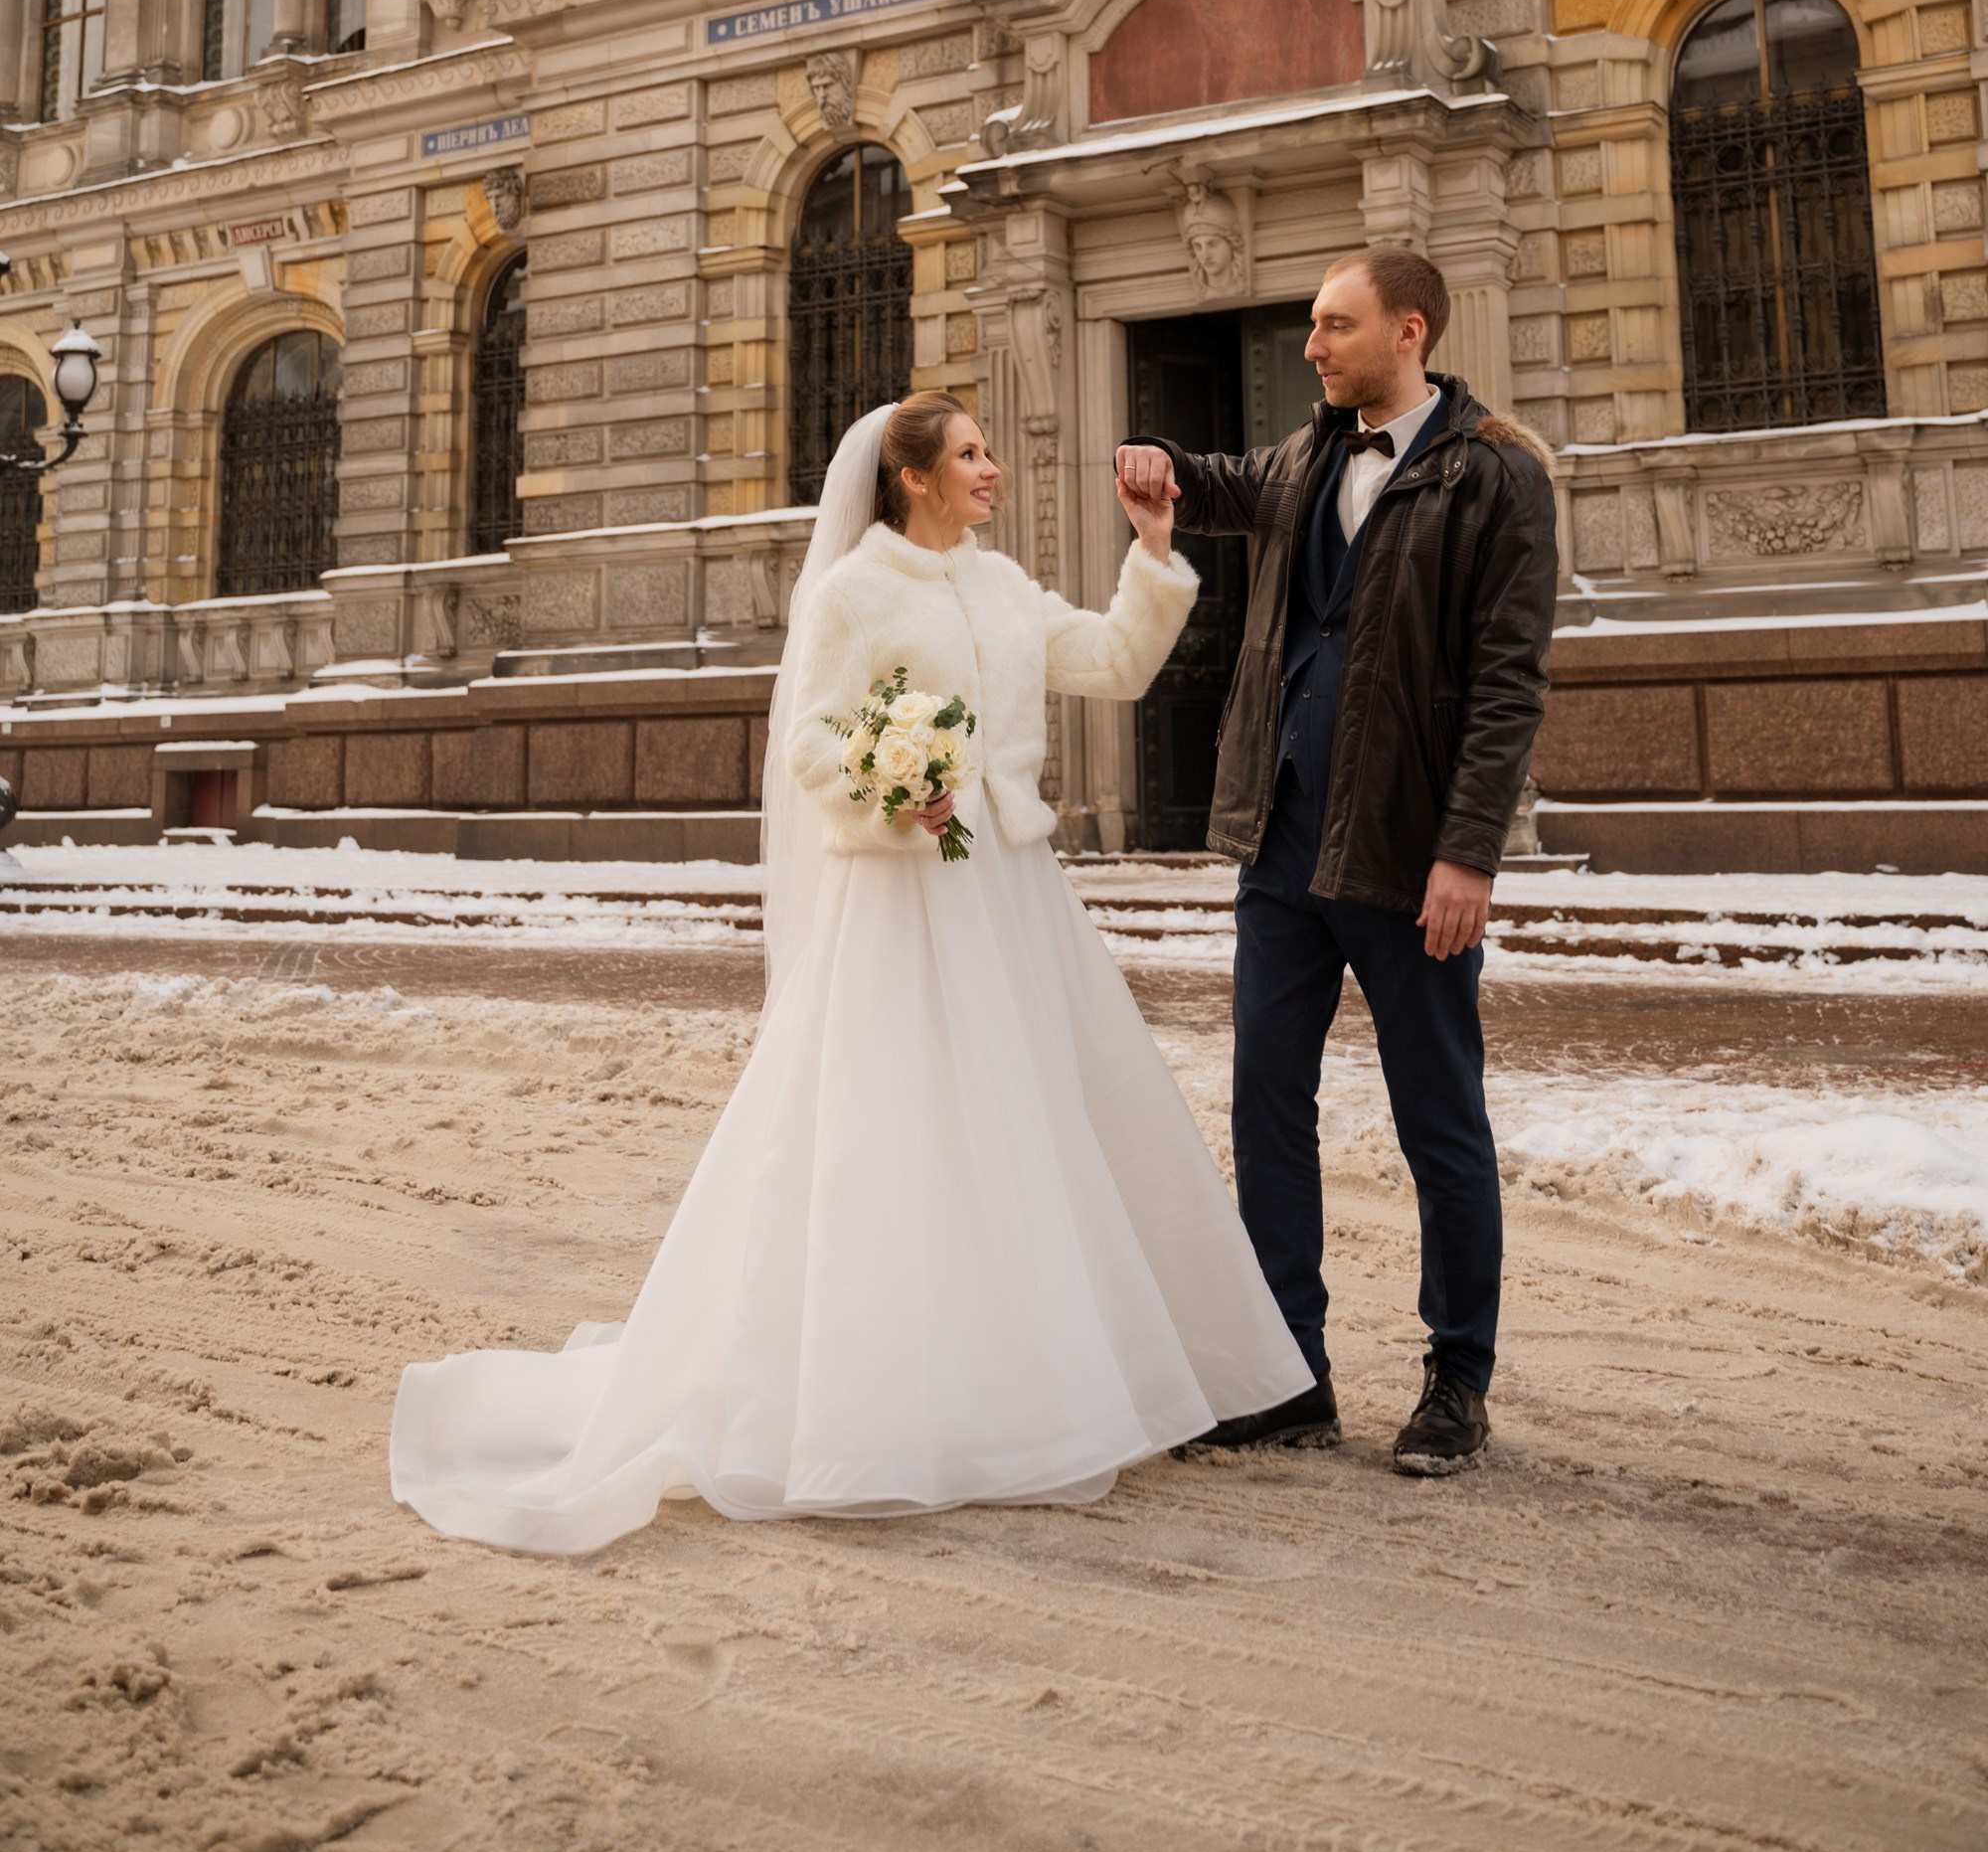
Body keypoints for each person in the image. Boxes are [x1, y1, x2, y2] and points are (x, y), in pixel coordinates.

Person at [391, 393, 1310, 1550]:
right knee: (900, 1125)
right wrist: (890, 792)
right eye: (970, 453)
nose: (991, 468)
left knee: (1036, 1121)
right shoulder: (853, 591)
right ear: (911, 476)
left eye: (986, 450)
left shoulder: (999, 583)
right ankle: (883, 1395)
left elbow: (1117, 665)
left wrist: (1156, 550)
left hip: (1010, 888)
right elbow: (813, 738)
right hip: (906, 888)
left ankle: (1041, 1371)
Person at [1115, 249, 1557, 1476]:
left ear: (1406, 329)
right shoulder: (1310, 450)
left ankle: (1455, 1378)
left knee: (1437, 1123)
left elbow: (1507, 679)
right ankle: (1288, 1373)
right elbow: (1214, 482)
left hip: (1406, 853)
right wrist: (1151, 468)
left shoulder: (1494, 474)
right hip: (1279, 841)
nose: (1310, 345)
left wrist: (1467, 851)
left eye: (1332, 325)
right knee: (1266, 1110)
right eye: (1309, 326)